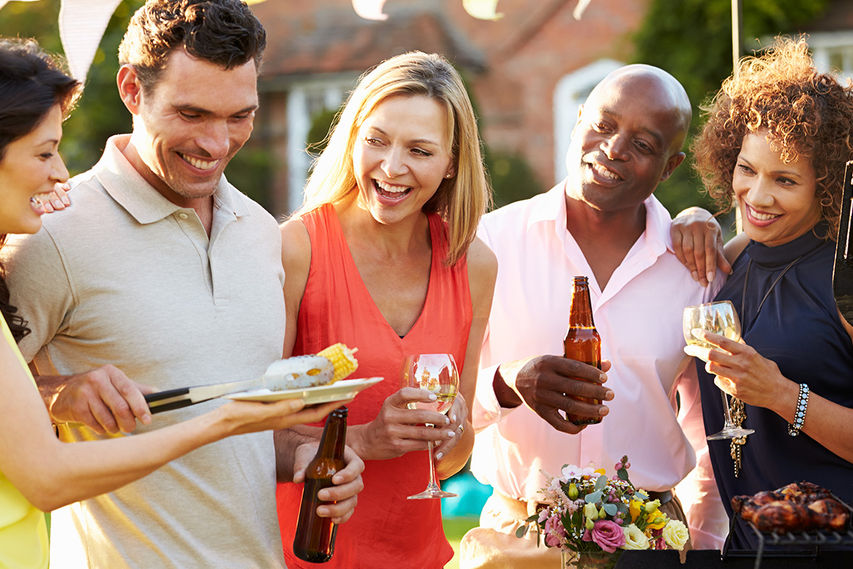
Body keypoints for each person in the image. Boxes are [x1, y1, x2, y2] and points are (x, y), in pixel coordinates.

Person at [0, 3, 363, 568]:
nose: (216, 144)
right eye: (191, 114)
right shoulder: (50, 232)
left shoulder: (263, 232)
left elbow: (245, 431)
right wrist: (59, 393)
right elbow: (13, 422)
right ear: (131, 90)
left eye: (239, 116)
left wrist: (310, 454)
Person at [458, 64, 729, 568]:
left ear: (670, 167)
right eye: (603, 125)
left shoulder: (694, 269)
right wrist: (507, 383)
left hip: (649, 544)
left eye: (644, 145)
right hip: (518, 543)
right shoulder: (491, 244)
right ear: (579, 117)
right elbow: (446, 401)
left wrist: (707, 542)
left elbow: (708, 427)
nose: (613, 149)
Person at [275, 51, 497, 568]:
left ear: (451, 163)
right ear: (352, 137)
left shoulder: (474, 263)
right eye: (376, 140)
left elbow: (457, 457)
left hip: (417, 555)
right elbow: (252, 430)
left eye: (419, 150)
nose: (391, 168)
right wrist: (368, 440)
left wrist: (454, 428)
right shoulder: (297, 248)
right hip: (302, 551)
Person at [685, 37, 853, 550]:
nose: (757, 196)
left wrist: (781, 395)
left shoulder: (843, 279)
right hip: (747, 548)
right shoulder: (730, 262)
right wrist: (692, 219)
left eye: (784, 180)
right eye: (747, 169)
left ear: (825, 185)